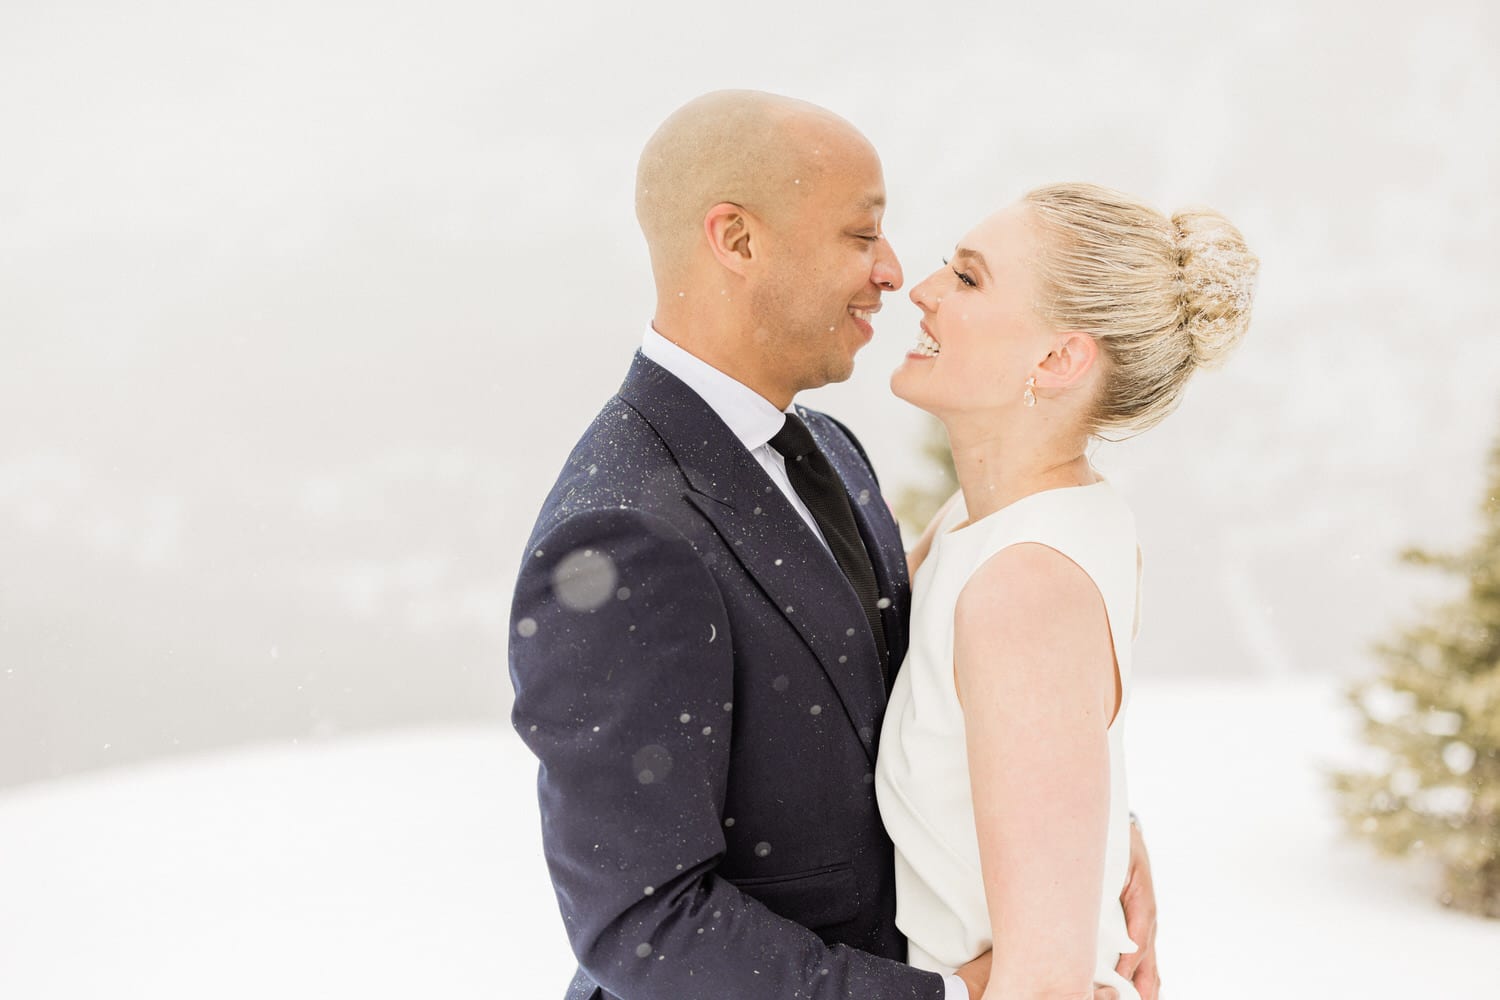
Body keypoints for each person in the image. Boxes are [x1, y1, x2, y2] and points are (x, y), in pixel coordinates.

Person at [509, 91, 1159, 1000]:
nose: (895, 273)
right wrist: (951, 998)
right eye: (862, 236)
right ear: (737, 241)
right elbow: (644, 924)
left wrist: (1077, 833)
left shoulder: (827, 453)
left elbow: (932, 695)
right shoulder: (625, 532)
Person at [877, 183, 1257, 1000]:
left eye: (968, 279)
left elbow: (1044, 987)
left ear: (1058, 360)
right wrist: (1110, 832)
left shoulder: (1025, 584)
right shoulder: (991, 523)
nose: (923, 290)